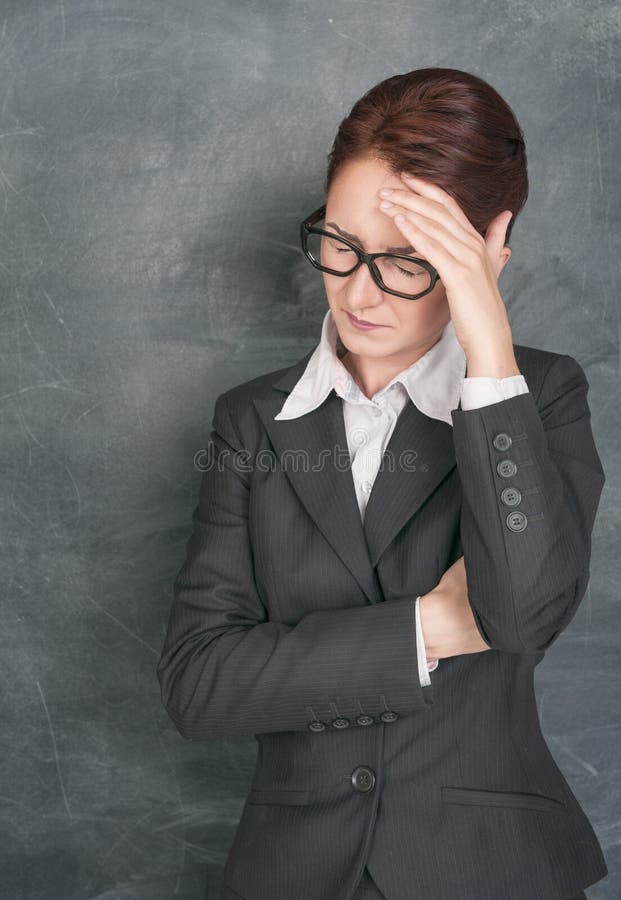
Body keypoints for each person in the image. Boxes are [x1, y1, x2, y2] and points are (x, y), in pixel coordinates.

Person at [156, 67, 608, 900]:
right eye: (339, 243)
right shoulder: (252, 420)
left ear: (486, 256)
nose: (358, 291)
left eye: (409, 263)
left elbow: (522, 616)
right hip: (289, 873)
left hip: (489, 869)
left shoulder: (538, 397)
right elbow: (199, 684)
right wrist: (424, 630)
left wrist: (488, 349)